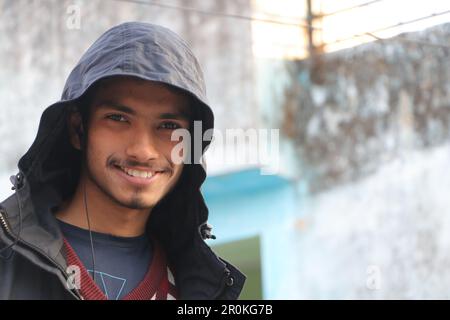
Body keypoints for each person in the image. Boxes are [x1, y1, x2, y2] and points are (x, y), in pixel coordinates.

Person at [0, 21, 245, 300]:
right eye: (118, 118)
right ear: (77, 128)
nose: (143, 151)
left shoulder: (202, 287)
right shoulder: (7, 261)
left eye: (167, 126)